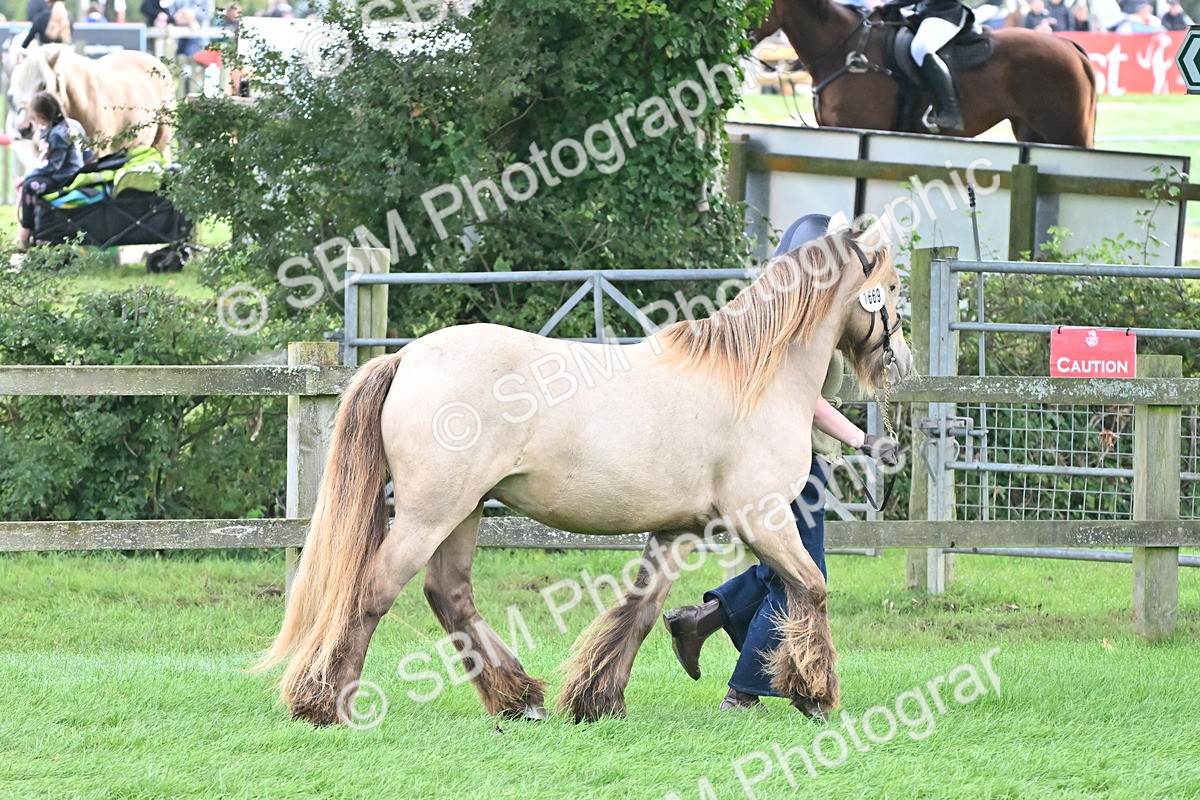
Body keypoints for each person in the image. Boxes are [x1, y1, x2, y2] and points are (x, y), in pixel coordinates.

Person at [662, 214, 900, 713]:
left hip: (804, 457)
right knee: (800, 576)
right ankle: (743, 691)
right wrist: (864, 440)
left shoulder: (798, 315)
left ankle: (704, 618)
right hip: (794, 461)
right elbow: (809, 399)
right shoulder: (791, 324)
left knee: (783, 572)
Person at [884, 0, 973, 134]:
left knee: (921, 49)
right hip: (922, 11)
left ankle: (951, 112)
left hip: (945, 12)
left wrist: (892, 4)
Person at [14, 92, 84, 251]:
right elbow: (87, 153)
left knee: (29, 187)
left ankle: (25, 235)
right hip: (72, 172)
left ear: (40, 116)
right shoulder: (73, 124)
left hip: (65, 177)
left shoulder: (58, 134)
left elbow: (53, 167)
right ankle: (30, 232)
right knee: (31, 183)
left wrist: (25, 178)